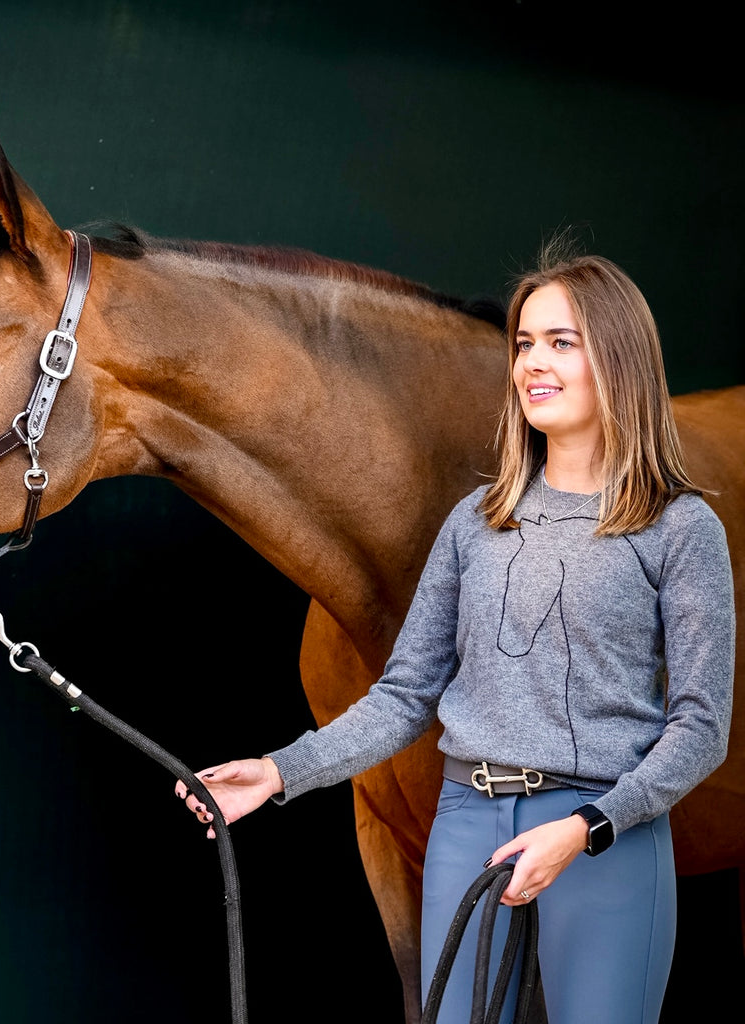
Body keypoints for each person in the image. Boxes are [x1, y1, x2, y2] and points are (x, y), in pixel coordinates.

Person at [176, 245, 735, 1024]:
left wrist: (587, 827)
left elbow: (702, 729)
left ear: (621, 359)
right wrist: (279, 773)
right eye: (524, 343)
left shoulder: (681, 529)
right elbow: (405, 696)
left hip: (608, 834)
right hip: (468, 820)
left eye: (561, 342)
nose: (533, 363)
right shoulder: (474, 526)